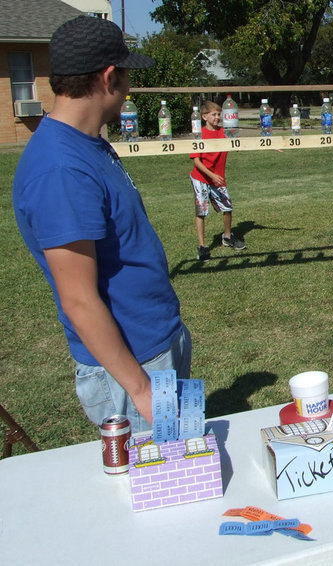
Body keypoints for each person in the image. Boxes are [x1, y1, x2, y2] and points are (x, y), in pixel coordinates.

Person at [12, 16, 191, 434]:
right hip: (130, 371)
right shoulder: (60, 169)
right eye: (127, 75)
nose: (129, 88)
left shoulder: (88, 145)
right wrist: (143, 391)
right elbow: (78, 300)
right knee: (160, 488)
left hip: (154, 346)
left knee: (182, 474)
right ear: (109, 77)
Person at [190, 100, 246, 261]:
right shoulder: (198, 134)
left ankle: (227, 236)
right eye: (214, 115)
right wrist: (211, 175)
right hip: (201, 177)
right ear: (204, 116)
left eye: (219, 114)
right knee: (201, 211)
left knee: (227, 207)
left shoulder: (225, 132)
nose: (217, 117)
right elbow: (196, 161)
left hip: (218, 178)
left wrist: (272, 145)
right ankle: (202, 246)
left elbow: (241, 144)